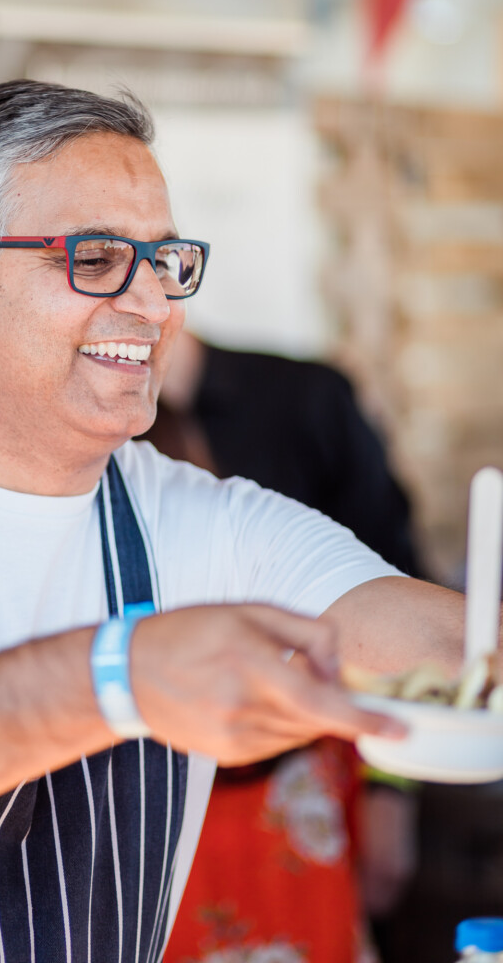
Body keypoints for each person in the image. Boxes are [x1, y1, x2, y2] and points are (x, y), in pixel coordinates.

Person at [0, 81, 471, 963]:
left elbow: (444, 651)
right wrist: (118, 678)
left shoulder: (213, 526)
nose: (153, 304)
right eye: (97, 259)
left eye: (167, 261)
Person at [147, 334, 421, 962]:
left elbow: (401, 612)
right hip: (158, 806)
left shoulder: (309, 401)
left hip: (298, 787)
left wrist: (391, 791)